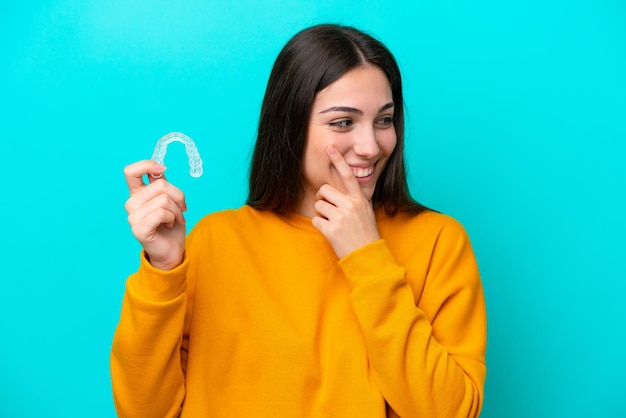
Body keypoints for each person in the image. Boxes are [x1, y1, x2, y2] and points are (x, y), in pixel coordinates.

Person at [111, 23, 487, 417]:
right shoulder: (216, 241)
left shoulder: (438, 242)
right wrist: (164, 269)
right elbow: (144, 411)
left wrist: (366, 256)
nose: (371, 146)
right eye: (343, 122)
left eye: (384, 119)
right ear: (290, 126)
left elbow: (451, 411)